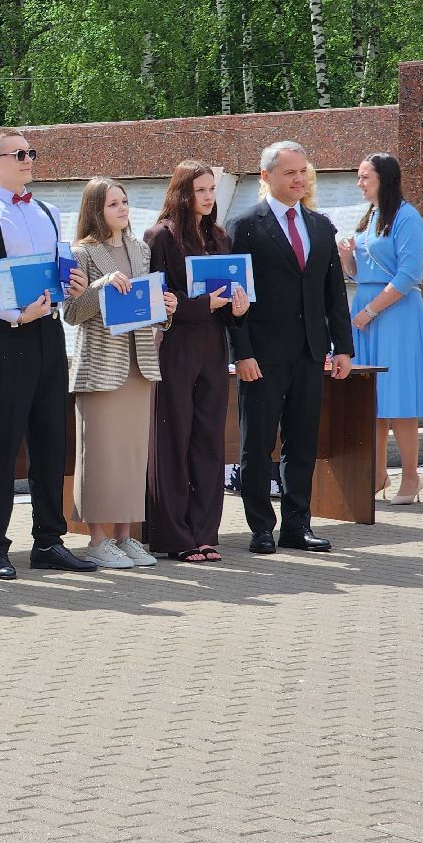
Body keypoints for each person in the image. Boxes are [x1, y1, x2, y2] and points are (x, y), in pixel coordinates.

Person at [0, 128, 94, 579]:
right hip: (5, 336)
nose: (28, 159)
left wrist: (71, 285)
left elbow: (60, 271)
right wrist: (11, 315)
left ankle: (49, 541)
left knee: (51, 440)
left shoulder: (48, 211)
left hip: (49, 334)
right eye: (18, 153)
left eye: (30, 152)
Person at [228, 140, 353, 555]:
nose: (299, 179)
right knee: (257, 444)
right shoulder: (245, 225)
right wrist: (241, 353)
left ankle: (297, 526)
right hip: (262, 354)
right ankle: (261, 527)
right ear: (266, 177)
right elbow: (233, 298)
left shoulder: (320, 225)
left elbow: (334, 293)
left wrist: (342, 347)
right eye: (289, 172)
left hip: (310, 352)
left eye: (303, 171)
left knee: (303, 442)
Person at [63, 179, 176, 569]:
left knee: (130, 456)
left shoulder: (140, 249)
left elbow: (146, 306)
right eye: (114, 203)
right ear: (95, 209)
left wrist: (167, 307)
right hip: (101, 366)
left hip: (139, 364)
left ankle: (126, 538)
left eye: (125, 202)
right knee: (100, 456)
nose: (123, 209)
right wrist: (101, 285)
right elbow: (72, 313)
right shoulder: (83, 253)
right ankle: (97, 541)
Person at [145, 161, 250, 562]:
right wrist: (205, 304)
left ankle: (205, 533)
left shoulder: (220, 238)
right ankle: (174, 536)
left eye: (212, 190)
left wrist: (238, 309)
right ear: (181, 193)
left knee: (208, 442)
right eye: (200, 190)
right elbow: (158, 304)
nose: (208, 198)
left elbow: (226, 305)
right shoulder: (160, 237)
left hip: (212, 349)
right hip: (174, 347)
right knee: (172, 441)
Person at [338, 153, 423, 505]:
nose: (359, 182)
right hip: (368, 310)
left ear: (384, 177)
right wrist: (347, 258)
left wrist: (370, 309)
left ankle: (411, 478)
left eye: (365, 176)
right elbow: (360, 272)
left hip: (395, 313)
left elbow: (409, 274)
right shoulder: (369, 217)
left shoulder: (407, 217)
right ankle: (377, 473)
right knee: (372, 398)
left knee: (398, 398)